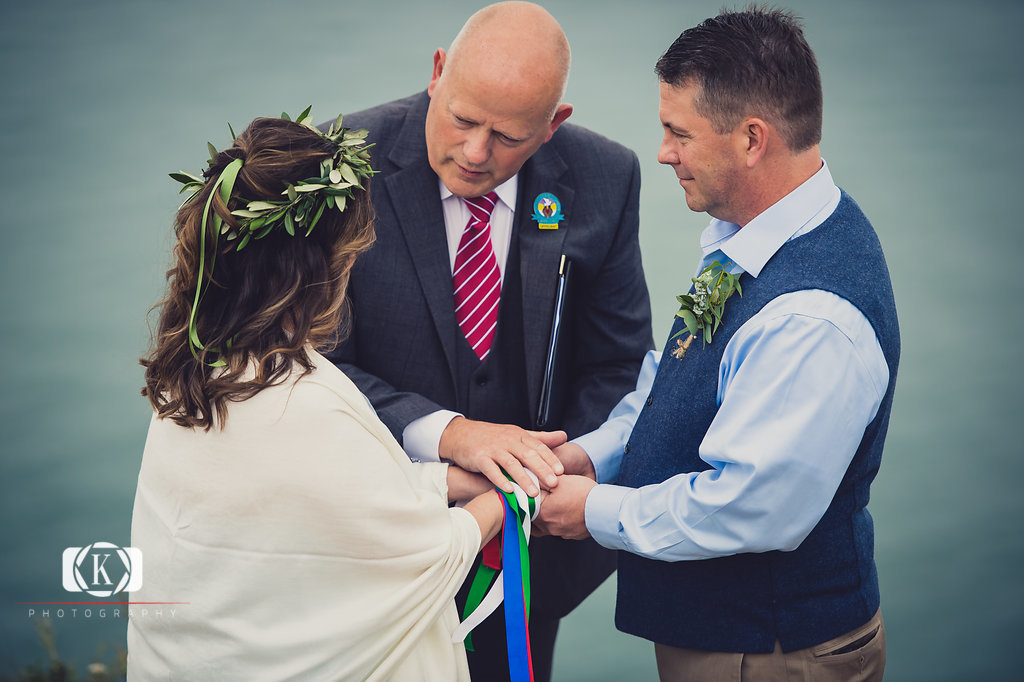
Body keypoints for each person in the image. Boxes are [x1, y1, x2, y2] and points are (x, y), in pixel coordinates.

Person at [536, 7, 900, 681]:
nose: (663, 152)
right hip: (733, 644)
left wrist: (594, 511)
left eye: (679, 133)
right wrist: (591, 455)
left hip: (774, 655)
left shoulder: (810, 319)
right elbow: (674, 382)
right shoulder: (752, 234)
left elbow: (752, 509)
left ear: (752, 139)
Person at [325, 2, 654, 679]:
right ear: (438, 72)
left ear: (553, 125)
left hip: (527, 563)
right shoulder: (338, 162)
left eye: (507, 136)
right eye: (462, 119)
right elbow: (313, 365)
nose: (476, 153)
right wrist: (450, 434)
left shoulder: (606, 176)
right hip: (372, 550)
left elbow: (617, 363)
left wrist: (557, 471)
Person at [129, 112, 513, 680]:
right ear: (316, 272)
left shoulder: (194, 366)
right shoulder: (301, 400)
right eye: (349, 255)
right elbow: (429, 553)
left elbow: (333, 497)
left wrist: (452, 481)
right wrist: (511, 499)